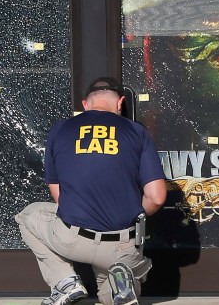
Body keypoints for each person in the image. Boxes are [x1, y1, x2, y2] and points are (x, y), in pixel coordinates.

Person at [16, 77, 167, 305]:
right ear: (120, 103)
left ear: (85, 104)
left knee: (28, 215)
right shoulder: (137, 132)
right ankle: (122, 280)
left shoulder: (61, 130)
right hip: (122, 244)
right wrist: (131, 213)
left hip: (73, 238)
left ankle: (65, 282)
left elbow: (60, 198)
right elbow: (156, 197)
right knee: (114, 290)